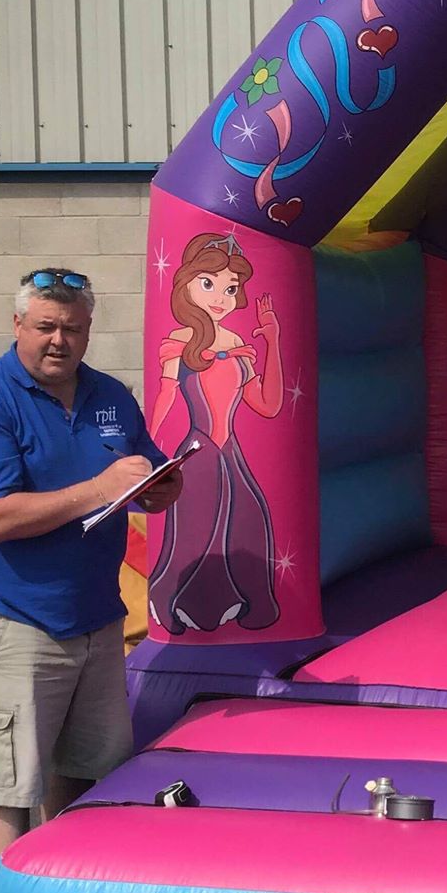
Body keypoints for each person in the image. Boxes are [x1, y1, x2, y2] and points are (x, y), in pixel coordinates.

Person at [0, 268, 183, 875]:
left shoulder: (109, 396)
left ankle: (70, 889)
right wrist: (101, 487)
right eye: (45, 326)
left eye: (72, 328)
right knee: (7, 784)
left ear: (89, 330)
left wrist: (158, 487)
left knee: (86, 769)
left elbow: (140, 466)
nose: (58, 341)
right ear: (17, 325)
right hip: (19, 621)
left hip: (97, 619)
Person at [147, 232, 284, 633]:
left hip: (231, 452)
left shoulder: (238, 342)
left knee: (249, 522)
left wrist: (272, 340)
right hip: (198, 450)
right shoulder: (179, 342)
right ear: (187, 284)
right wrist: (148, 448)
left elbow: (268, 405)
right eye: (208, 283)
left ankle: (250, 605)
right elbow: (166, 396)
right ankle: (166, 597)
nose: (220, 296)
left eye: (230, 287)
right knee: (193, 530)